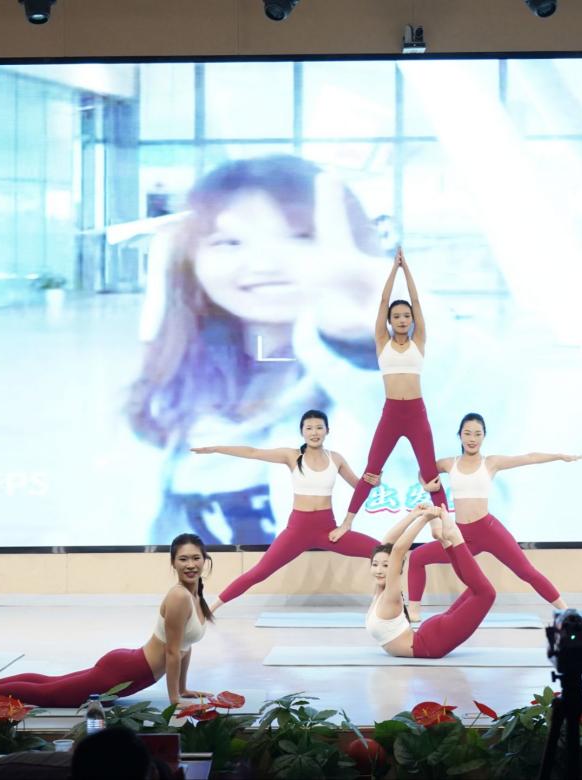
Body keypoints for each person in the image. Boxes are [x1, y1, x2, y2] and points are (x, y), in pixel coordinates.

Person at [127, 155, 386, 545]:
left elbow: (443, 399)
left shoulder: (392, 373)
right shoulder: (180, 382)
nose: (264, 264)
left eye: (300, 237)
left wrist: (365, 347)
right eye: (229, 242)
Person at [0, 534, 213, 708]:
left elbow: (184, 647)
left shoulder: (194, 595)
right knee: (49, 695)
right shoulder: (179, 596)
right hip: (126, 673)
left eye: (195, 558)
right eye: (183, 559)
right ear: (173, 563)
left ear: (205, 560)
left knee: (52, 683)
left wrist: (183, 689)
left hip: (128, 666)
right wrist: (174, 698)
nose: (190, 564)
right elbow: (172, 652)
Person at [191, 409, 382, 611]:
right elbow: (253, 452)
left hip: (328, 531)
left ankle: (384, 601)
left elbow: (359, 486)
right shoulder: (292, 455)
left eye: (319, 427)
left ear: (327, 430)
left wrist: (375, 483)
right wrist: (216, 449)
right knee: (260, 572)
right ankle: (210, 608)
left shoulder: (336, 458)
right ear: (302, 432)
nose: (314, 432)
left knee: (380, 552)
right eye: (309, 428)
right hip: (297, 531)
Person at [406, 412, 581, 622]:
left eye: (477, 434)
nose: (472, 439)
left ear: (484, 436)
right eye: (467, 433)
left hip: (488, 530)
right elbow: (423, 471)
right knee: (417, 557)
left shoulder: (491, 462)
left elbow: (529, 457)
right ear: (460, 435)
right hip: (460, 535)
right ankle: (413, 613)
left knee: (526, 571)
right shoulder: (449, 463)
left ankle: (566, 611)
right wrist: (425, 485)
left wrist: (559, 456)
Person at [332, 247, 447, 544]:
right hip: (392, 414)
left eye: (406, 316)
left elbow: (417, 302)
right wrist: (393, 271)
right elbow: (383, 302)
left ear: (412, 319)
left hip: (416, 413)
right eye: (396, 316)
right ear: (389, 320)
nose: (402, 319)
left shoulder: (418, 340)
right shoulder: (382, 341)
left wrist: (406, 270)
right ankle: (347, 522)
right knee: (371, 471)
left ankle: (447, 526)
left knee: (430, 472)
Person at [367, 504, 495, 658]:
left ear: (395, 568)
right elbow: (386, 544)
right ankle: (447, 541)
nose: (379, 570)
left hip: (430, 643)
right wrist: (413, 515)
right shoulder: (379, 589)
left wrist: (425, 519)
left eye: (386, 565)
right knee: (479, 591)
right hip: (429, 638)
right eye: (375, 564)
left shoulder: (390, 595)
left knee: (486, 593)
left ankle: (454, 537)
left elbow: (398, 550)